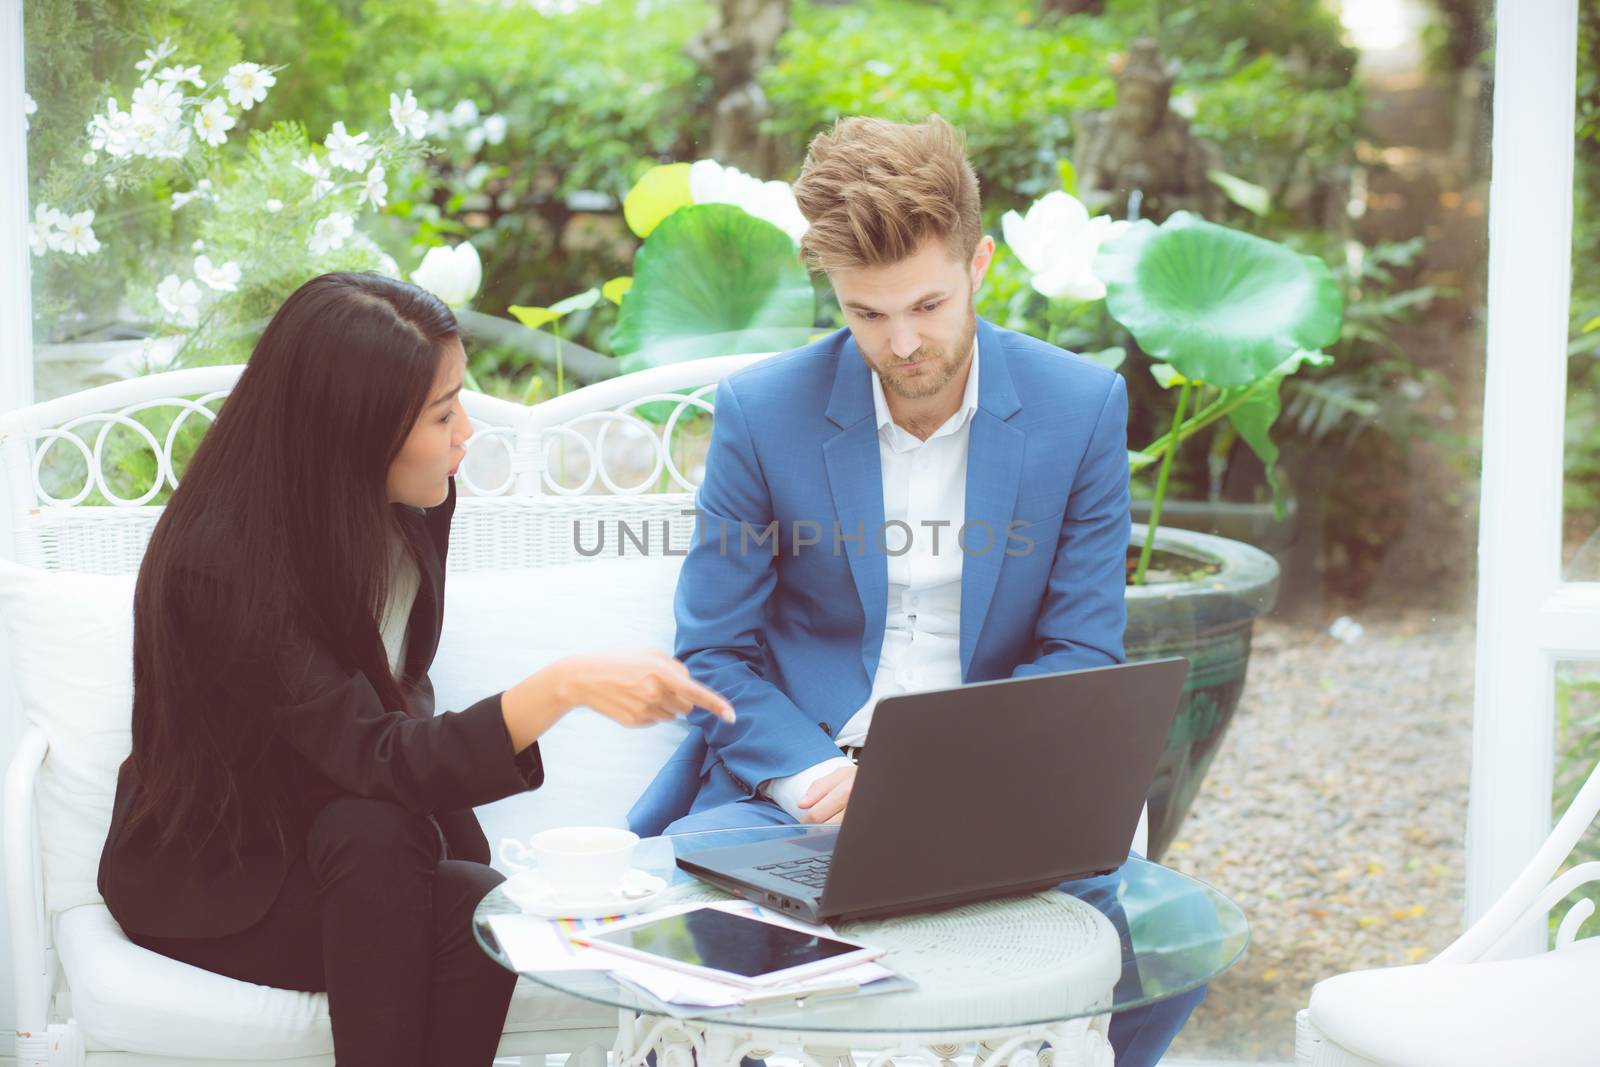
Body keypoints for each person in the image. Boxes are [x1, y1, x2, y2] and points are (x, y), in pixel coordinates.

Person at [628, 116, 1201, 1065]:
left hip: (992, 796)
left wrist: (938, 783)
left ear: (979, 262)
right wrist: (815, 777)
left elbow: (1082, 650)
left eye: (928, 305)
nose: (901, 344)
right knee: (684, 955)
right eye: (867, 314)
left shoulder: (1080, 407)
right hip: (790, 796)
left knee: (1164, 945)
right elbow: (712, 651)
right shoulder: (764, 414)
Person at [97, 272, 734, 1067]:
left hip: (354, 851)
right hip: (225, 880)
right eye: (443, 412)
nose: (467, 431)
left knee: (479, 903)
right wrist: (561, 686)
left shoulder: (414, 503)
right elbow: (371, 750)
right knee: (381, 832)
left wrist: (475, 863)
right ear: (355, 429)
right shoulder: (223, 569)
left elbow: (397, 692)